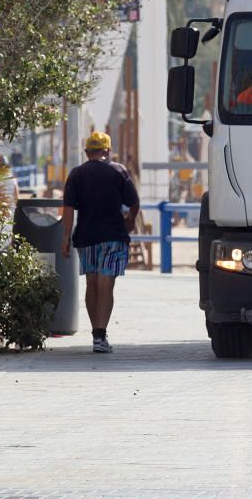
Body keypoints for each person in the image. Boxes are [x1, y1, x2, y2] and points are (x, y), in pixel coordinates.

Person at [61, 131, 140, 353]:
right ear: (107, 151)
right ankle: (100, 336)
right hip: (113, 236)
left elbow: (68, 209)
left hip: (86, 237)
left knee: (92, 284)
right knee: (107, 284)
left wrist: (65, 238)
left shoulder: (76, 174)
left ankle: (97, 334)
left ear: (87, 152)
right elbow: (134, 202)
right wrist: (130, 221)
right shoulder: (118, 171)